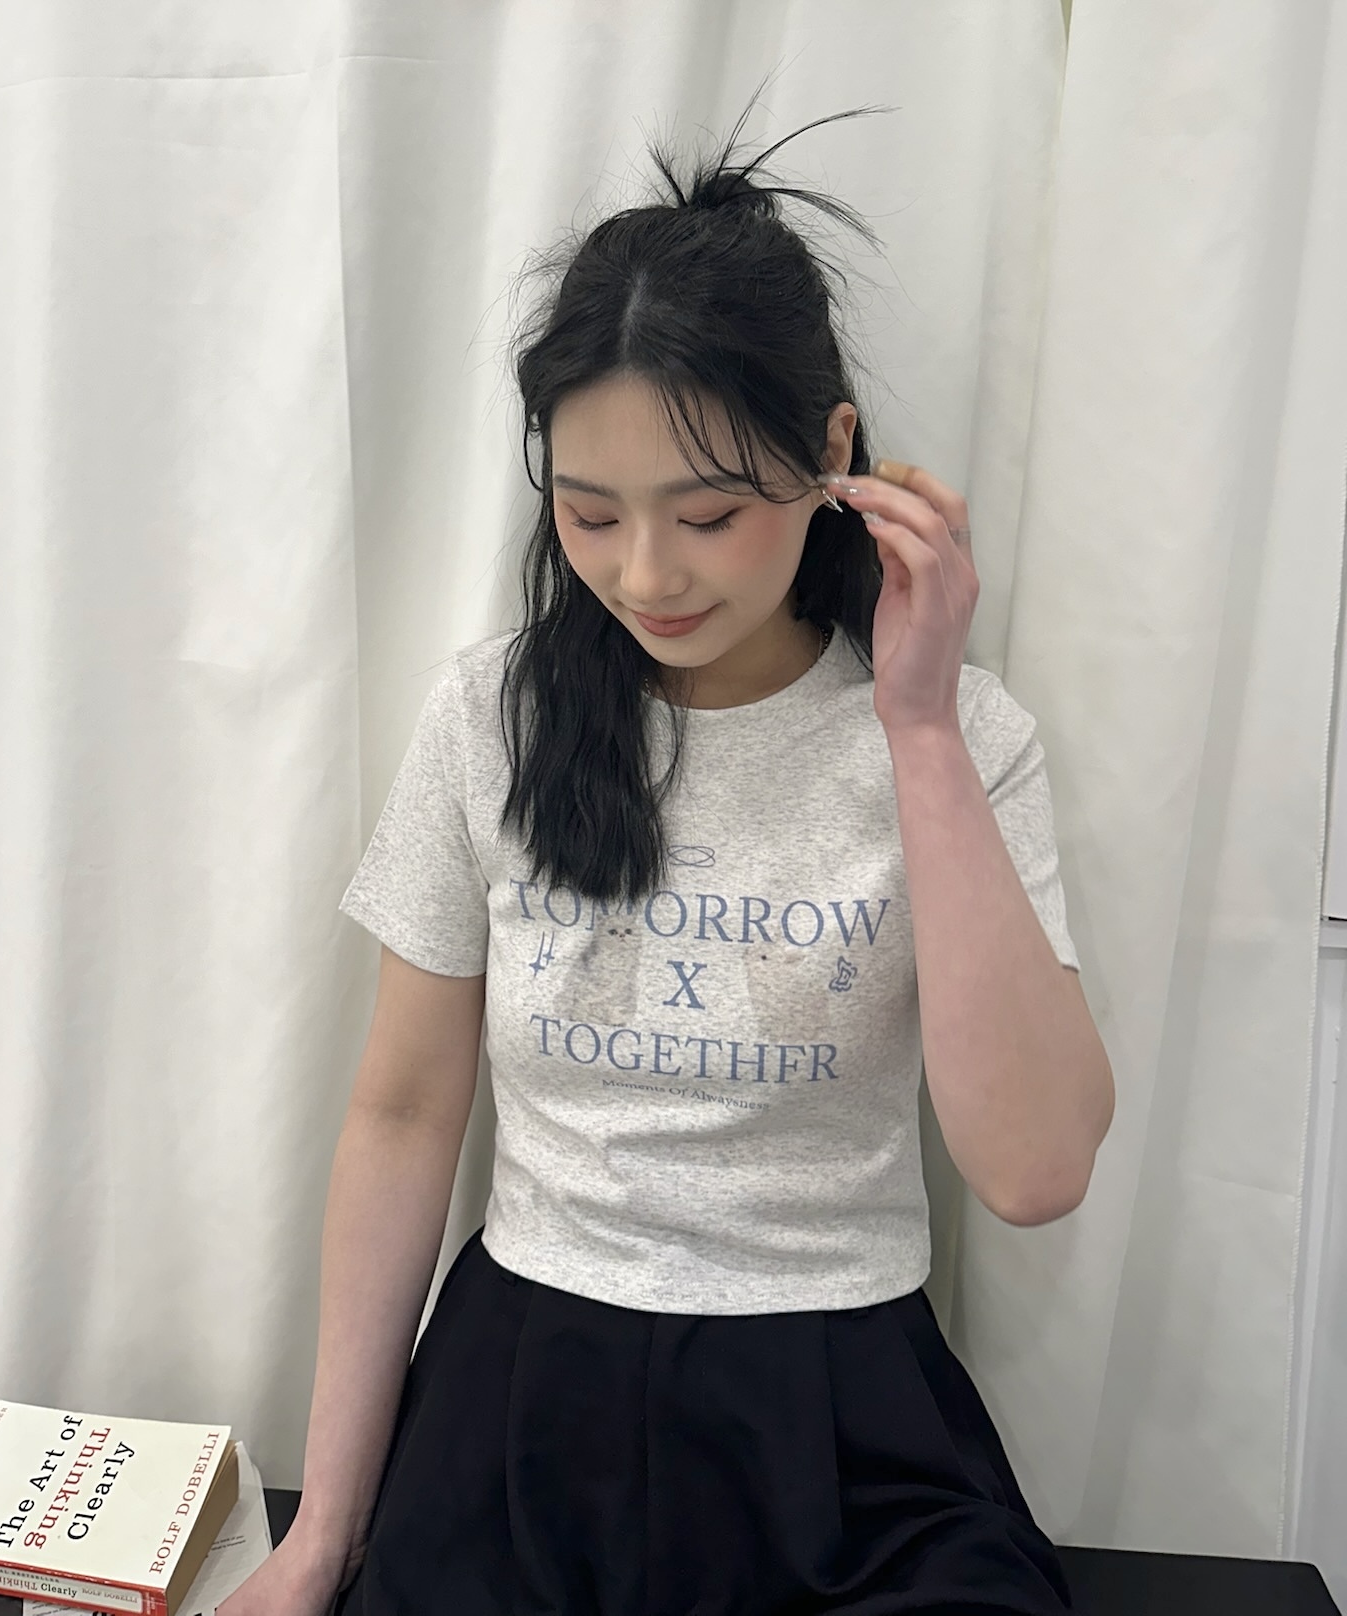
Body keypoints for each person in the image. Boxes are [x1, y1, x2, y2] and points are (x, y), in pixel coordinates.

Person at [220, 115, 1115, 1616]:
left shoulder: (962, 739)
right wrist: (320, 1540)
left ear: (832, 454)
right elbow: (403, 1113)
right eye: (590, 515)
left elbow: (1036, 1171)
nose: (646, 575)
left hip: (840, 1408)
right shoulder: (491, 719)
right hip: (524, 1390)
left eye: (709, 515)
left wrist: (918, 730)